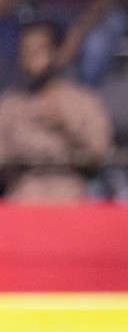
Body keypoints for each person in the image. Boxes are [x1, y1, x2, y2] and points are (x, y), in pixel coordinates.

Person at [0, 20, 111, 202]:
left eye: (39, 50)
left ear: (55, 53)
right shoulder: (8, 105)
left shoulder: (83, 102)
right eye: (26, 51)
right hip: (22, 200)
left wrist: (65, 127)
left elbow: (99, 155)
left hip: (69, 197)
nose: (31, 58)